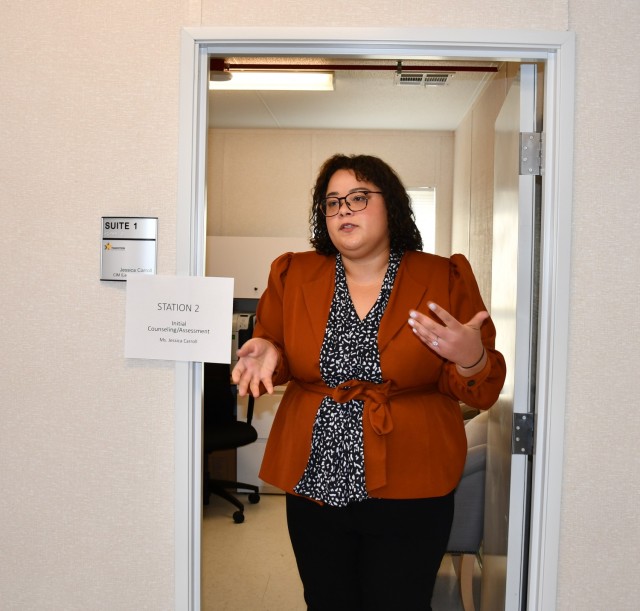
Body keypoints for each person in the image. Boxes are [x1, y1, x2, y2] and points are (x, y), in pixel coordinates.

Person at [231, 154, 506, 611]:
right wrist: (268, 349)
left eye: (358, 198)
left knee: (399, 601)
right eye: (332, 201)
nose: (343, 210)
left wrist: (471, 357)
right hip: (315, 476)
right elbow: (274, 346)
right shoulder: (292, 273)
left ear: (391, 206)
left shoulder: (443, 277)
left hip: (413, 477)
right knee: (326, 599)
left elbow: (482, 388)